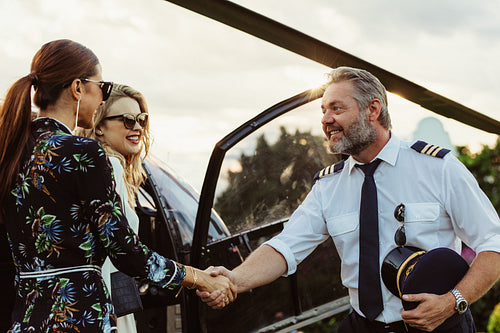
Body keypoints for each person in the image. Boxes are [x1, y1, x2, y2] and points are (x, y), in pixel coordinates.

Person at [198, 67, 500, 332]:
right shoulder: (328, 186)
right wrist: (233, 280)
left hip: (439, 327)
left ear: (373, 109)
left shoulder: (438, 167)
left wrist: (453, 302)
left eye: (336, 109)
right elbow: (285, 247)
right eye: (323, 111)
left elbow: (493, 244)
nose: (326, 120)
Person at [0, 39, 235, 332]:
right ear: (77, 88)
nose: (102, 96)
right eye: (102, 85)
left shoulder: (11, 154)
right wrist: (197, 277)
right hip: (80, 319)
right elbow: (125, 251)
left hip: (25, 322)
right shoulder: (83, 152)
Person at [77, 83, 152, 332]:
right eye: (127, 120)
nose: (138, 127)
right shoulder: (110, 166)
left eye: (141, 119)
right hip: (109, 303)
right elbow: (123, 250)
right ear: (99, 126)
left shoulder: (85, 168)